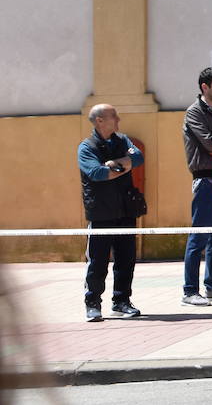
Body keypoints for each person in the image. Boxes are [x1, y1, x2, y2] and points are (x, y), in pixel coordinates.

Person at [78, 104, 145, 322]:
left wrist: (115, 165)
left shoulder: (122, 140)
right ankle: (93, 303)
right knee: (97, 261)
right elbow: (97, 173)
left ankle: (122, 301)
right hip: (101, 213)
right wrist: (122, 167)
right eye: (113, 116)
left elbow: (138, 158)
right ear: (99, 121)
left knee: (126, 259)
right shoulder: (86, 148)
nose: (118, 119)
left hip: (125, 210)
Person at [182, 66, 212, 306]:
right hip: (205, 180)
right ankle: (190, 290)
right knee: (198, 238)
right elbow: (210, 144)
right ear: (205, 87)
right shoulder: (194, 113)